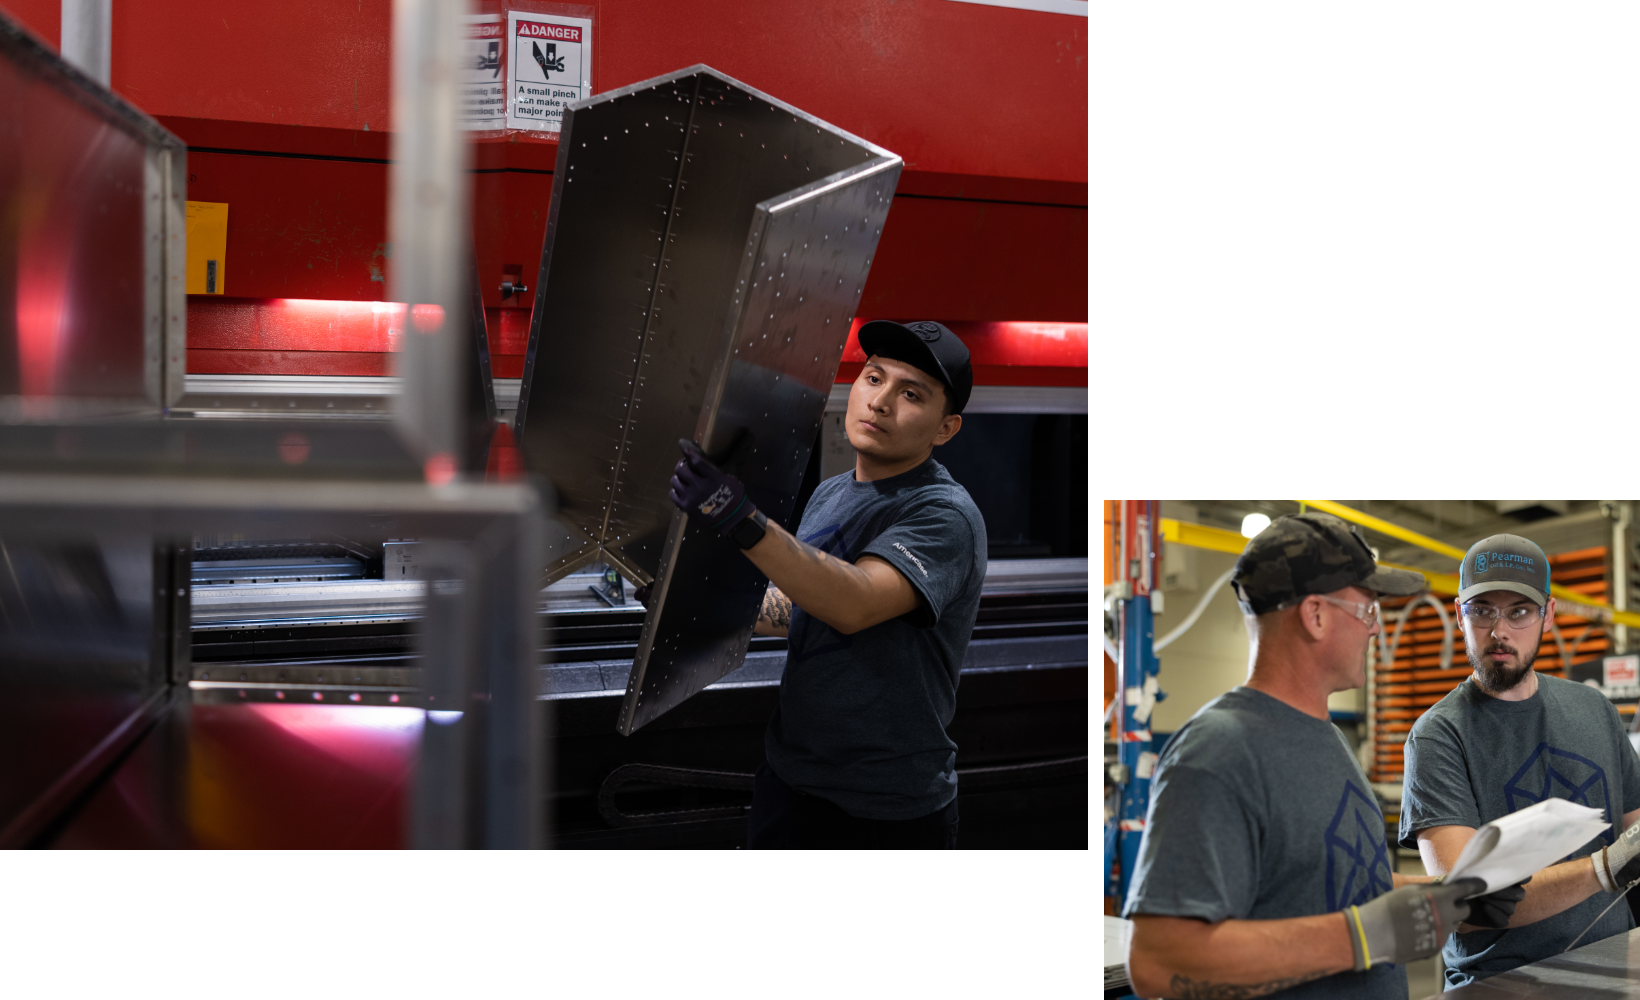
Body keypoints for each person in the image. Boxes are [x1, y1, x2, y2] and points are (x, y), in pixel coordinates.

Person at [1124, 513, 1526, 999]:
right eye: (1368, 611)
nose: (1375, 631)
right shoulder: (1218, 753)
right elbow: (1159, 960)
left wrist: (1445, 898)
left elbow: (1342, 885)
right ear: (1315, 615)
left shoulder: (1327, 739)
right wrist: (1360, 938)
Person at [666, 320, 985, 849]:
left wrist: (737, 516)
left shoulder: (944, 514)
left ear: (945, 429)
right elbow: (801, 605)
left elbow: (853, 602)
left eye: (911, 394)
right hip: (791, 784)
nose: (880, 402)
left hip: (885, 811)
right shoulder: (832, 493)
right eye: (874, 378)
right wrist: (688, 598)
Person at [1400, 533, 1640, 987]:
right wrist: (1606, 867)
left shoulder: (1594, 709)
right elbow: (1464, 906)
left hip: (1614, 968)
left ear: (1548, 615)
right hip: (1500, 984)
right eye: (1482, 610)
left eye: (1519, 611)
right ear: (1458, 615)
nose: (1499, 631)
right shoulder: (1438, 734)